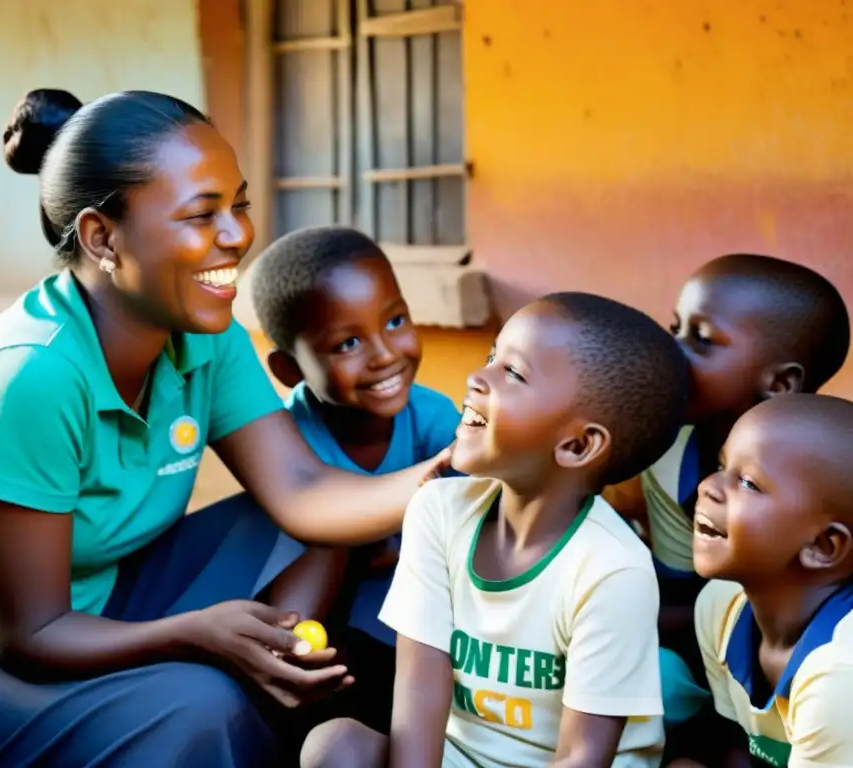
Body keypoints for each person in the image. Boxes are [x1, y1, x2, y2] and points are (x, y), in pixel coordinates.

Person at [0, 89, 447, 768]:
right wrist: (196, 634)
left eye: (238, 205)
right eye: (201, 215)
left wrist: (452, 471)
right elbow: (31, 633)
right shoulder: (30, 379)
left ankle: (283, 683)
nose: (238, 235)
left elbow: (304, 488)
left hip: (107, 591)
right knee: (199, 706)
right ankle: (235, 698)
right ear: (102, 237)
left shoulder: (201, 330)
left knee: (318, 525)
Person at [302, 292, 688, 768]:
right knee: (335, 748)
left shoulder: (612, 569)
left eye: (513, 373)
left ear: (578, 445)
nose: (476, 378)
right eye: (491, 357)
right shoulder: (439, 509)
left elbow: (583, 756)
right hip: (460, 756)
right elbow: (420, 686)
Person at [613, 254, 849, 732]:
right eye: (674, 327)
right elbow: (690, 589)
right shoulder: (669, 453)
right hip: (719, 648)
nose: (669, 351)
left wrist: (596, 620)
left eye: (701, 340)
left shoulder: (834, 474)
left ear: (780, 383)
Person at [250, 225, 460, 729]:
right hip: (328, 614)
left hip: (421, 620)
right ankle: (290, 658)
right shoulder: (285, 437)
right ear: (288, 368)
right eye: (347, 343)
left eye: (395, 319)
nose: (385, 353)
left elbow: (467, 529)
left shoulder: (434, 420)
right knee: (324, 531)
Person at [670, 394, 853, 768]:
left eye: (749, 483)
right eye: (721, 466)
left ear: (822, 546)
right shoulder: (721, 606)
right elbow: (738, 746)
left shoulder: (840, 671)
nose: (708, 486)